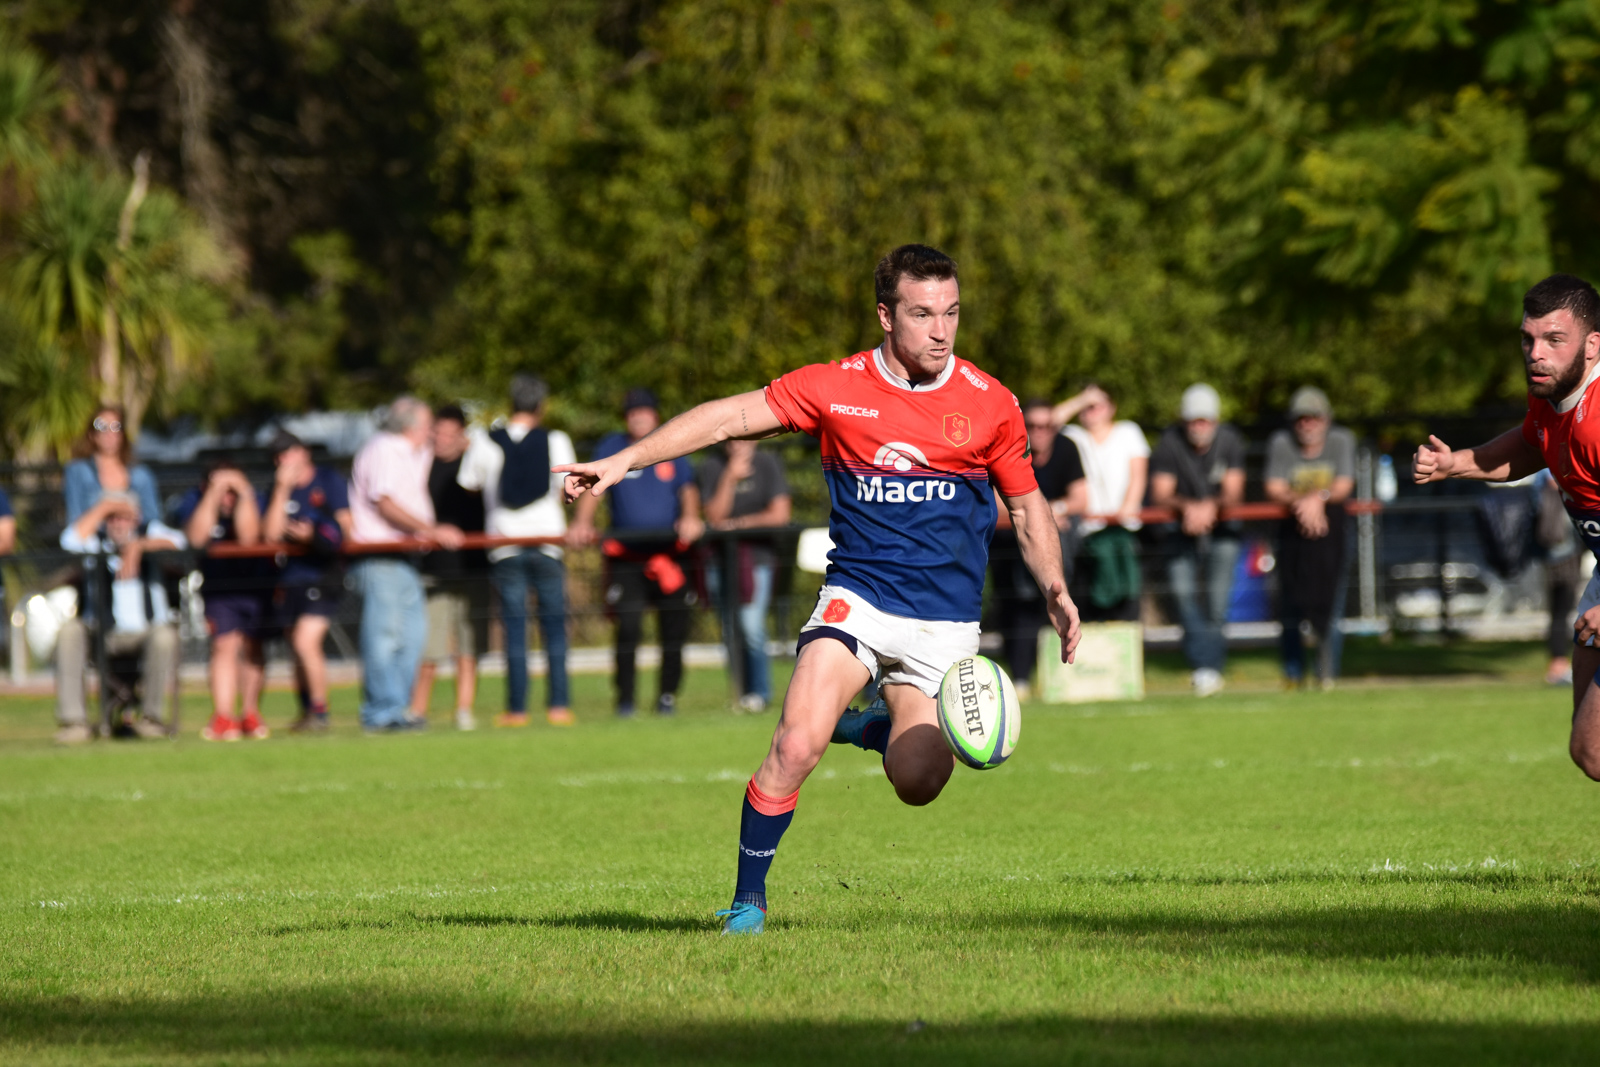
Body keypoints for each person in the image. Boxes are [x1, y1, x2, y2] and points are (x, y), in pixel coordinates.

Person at [556, 244, 1081, 936]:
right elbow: (725, 418)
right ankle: (748, 902)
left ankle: (864, 724)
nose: (941, 330)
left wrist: (1055, 584)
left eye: (951, 312)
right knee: (797, 743)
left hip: (944, 622)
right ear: (886, 315)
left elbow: (1027, 506)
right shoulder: (836, 387)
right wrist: (625, 460)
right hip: (857, 600)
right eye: (923, 314)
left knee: (919, 780)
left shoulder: (990, 403)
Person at [1415, 274, 1600, 780]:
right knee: (1590, 749)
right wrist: (1456, 463)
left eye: (1554, 339)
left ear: (1592, 345)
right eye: (1528, 339)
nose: (1536, 354)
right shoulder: (1551, 397)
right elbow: (1528, 444)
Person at [569, 388, 704, 718]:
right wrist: (582, 523)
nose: (639, 416)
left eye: (645, 410)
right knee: (628, 628)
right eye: (633, 412)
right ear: (625, 417)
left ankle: (667, 697)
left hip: (670, 556)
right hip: (626, 557)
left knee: (674, 628)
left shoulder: (673, 443)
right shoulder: (612, 447)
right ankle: (625, 700)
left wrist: (691, 516)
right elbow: (594, 487)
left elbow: (687, 488)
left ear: (655, 415)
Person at [457, 376, 577, 727]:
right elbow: (567, 488)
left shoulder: (484, 440)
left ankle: (517, 709)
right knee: (554, 626)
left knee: (514, 629)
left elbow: (469, 484)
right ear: (541, 405)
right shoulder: (556, 440)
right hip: (548, 543)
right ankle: (558, 706)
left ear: (511, 403)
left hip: (504, 544)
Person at [348, 397, 463, 732]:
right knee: (384, 638)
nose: (432, 431)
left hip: (408, 559)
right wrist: (430, 529)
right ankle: (380, 713)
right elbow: (384, 503)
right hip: (380, 556)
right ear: (411, 426)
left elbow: (447, 451)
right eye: (428, 425)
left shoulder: (414, 452)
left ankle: (397, 709)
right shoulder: (384, 448)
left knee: (411, 637)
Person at [54, 493, 185, 744]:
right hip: (101, 633)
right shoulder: (94, 540)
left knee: (164, 636)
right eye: (111, 518)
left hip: (144, 634)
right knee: (70, 632)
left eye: (124, 517)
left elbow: (181, 542)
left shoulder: (150, 531)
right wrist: (103, 507)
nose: (118, 524)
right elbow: (69, 541)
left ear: (137, 519)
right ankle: (74, 724)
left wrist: (139, 546)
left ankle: (151, 720)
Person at [1149, 383, 1247, 697]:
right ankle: (1202, 664)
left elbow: (1234, 493)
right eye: (1193, 420)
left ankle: (1211, 667)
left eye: (1204, 420)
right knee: (1182, 596)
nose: (1198, 426)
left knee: (1218, 601)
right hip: (1179, 530)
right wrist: (1188, 508)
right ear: (1183, 421)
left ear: (1215, 421)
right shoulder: (1169, 442)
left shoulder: (1230, 441)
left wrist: (1209, 507)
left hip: (1224, 530)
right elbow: (1161, 493)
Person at [988, 398, 1087, 696]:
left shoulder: (1067, 448)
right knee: (1016, 609)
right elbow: (996, 500)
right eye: (1032, 425)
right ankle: (1019, 677)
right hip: (1008, 546)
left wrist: (1051, 510)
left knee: (1059, 602)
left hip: (1054, 551)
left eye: (1047, 425)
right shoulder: (1006, 446)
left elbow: (1081, 499)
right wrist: (1043, 512)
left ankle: (1063, 679)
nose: (1040, 431)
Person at [262, 430, 353, 732]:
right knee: (295, 645)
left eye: (289, 451)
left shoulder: (328, 480)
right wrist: (281, 489)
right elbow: (270, 535)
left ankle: (320, 711)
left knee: (305, 640)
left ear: (304, 452)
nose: (284, 460)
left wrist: (314, 536)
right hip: (290, 578)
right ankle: (307, 711)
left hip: (323, 575)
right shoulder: (278, 488)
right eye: (278, 455)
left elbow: (346, 528)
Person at [1265, 386, 1356, 688]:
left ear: (1326, 419)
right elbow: (1274, 487)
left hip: (1332, 534)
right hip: (1292, 535)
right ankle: (1293, 674)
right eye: (1301, 418)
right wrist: (1304, 502)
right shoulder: (1281, 442)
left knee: (1330, 605)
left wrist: (1319, 498)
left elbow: (1343, 485)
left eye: (1314, 418)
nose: (1307, 424)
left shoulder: (1341, 440)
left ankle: (1326, 673)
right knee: (1290, 604)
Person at [177, 463, 271, 741]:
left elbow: (249, 537)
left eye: (232, 490)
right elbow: (197, 538)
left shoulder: (255, 498)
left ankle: (250, 714)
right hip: (219, 588)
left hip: (257, 585)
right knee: (223, 646)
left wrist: (243, 492)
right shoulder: (194, 500)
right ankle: (224, 716)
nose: (227, 496)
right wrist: (214, 493)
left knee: (253, 646)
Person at [697, 439, 793, 713]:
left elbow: (780, 515)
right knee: (729, 629)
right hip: (720, 560)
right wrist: (729, 478)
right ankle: (740, 692)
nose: (738, 443)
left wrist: (738, 524)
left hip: (757, 559)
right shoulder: (712, 466)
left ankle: (760, 693)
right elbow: (714, 517)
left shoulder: (768, 463)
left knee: (751, 627)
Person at [411, 404, 491, 730]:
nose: (442, 440)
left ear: (462, 435)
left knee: (469, 646)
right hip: (434, 570)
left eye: (449, 434)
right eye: (438, 433)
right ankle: (417, 711)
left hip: (475, 567)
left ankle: (464, 710)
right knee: (429, 646)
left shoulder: (476, 465)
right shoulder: (421, 465)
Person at [1053, 383, 1148, 622]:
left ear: (1112, 408)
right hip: (1088, 534)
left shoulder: (1128, 431)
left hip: (1124, 528)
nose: (1091, 410)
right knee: (1091, 599)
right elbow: (1047, 423)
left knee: (1128, 595)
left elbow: (1138, 475)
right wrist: (1081, 399)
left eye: (1097, 405)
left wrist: (1127, 508)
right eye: (1087, 406)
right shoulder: (1075, 436)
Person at [64, 406, 162, 537]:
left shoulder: (141, 475)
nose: (109, 433)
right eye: (101, 426)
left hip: (134, 541)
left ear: (123, 434)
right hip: (94, 543)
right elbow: (74, 530)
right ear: (91, 434)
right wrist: (110, 507)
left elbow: (153, 522)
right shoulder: (78, 471)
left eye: (116, 426)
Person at [1536, 469, 1583, 686]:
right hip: (1561, 553)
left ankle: (1559, 664)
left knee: (1560, 611)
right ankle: (1558, 665)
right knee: (1561, 610)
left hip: (1556, 552)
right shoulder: (1553, 473)